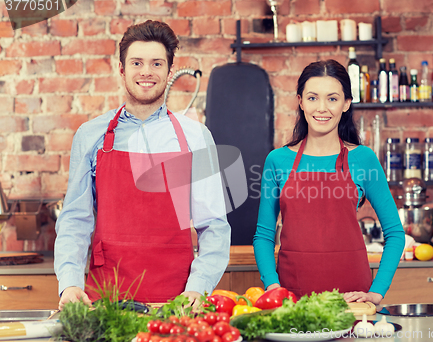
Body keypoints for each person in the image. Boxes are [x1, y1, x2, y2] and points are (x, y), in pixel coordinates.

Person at [54, 20, 230, 310]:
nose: (146, 72)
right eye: (137, 63)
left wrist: (198, 289)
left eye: (157, 63)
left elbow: (214, 226)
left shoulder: (195, 136)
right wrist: (70, 283)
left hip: (176, 301)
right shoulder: (91, 135)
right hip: (105, 302)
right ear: (122, 70)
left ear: (170, 71)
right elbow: (75, 220)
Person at [253, 59, 405, 304]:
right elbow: (263, 235)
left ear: (346, 104)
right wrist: (273, 287)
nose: (321, 108)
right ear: (301, 101)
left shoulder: (363, 159)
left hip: (353, 300)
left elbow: (395, 233)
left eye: (332, 99)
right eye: (313, 98)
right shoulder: (277, 161)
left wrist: (376, 293)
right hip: (294, 299)